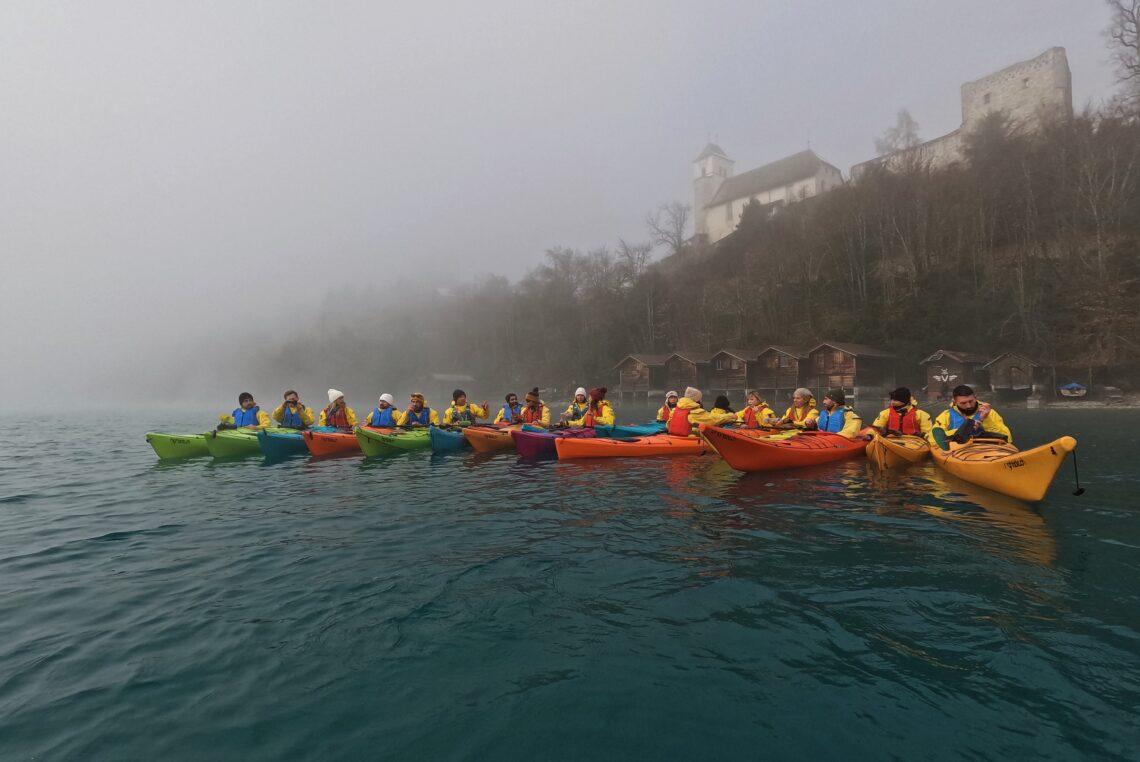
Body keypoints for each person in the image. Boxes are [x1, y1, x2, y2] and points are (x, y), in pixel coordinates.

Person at [930, 384, 1011, 448]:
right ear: (954, 402)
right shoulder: (946, 415)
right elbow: (932, 439)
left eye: (971, 401)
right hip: (959, 451)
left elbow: (1008, 438)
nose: (968, 406)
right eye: (963, 403)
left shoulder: (990, 413)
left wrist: (985, 419)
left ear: (975, 397)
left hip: (987, 448)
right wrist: (964, 429)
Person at [666, 387, 736, 436]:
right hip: (689, 437)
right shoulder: (695, 411)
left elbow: (668, 424)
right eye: (700, 398)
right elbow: (713, 420)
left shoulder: (675, 410)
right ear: (696, 399)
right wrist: (730, 416)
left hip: (674, 435)